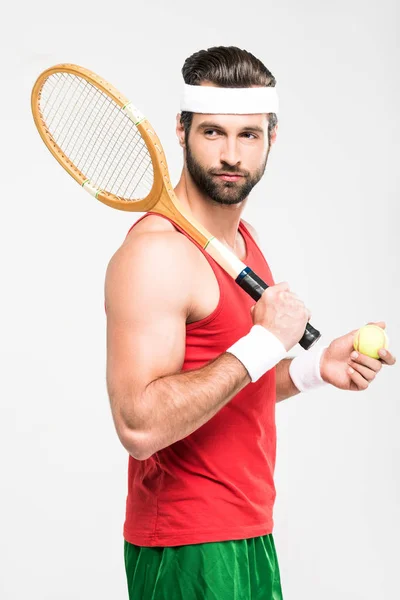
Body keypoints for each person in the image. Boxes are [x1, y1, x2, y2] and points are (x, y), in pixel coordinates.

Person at [104, 46, 396, 600]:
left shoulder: (242, 243)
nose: (230, 155)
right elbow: (138, 427)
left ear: (272, 139)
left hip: (247, 530)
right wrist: (264, 342)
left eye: (248, 135)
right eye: (212, 132)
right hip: (188, 546)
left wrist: (310, 368)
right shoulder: (157, 255)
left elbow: (222, 387)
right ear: (182, 130)